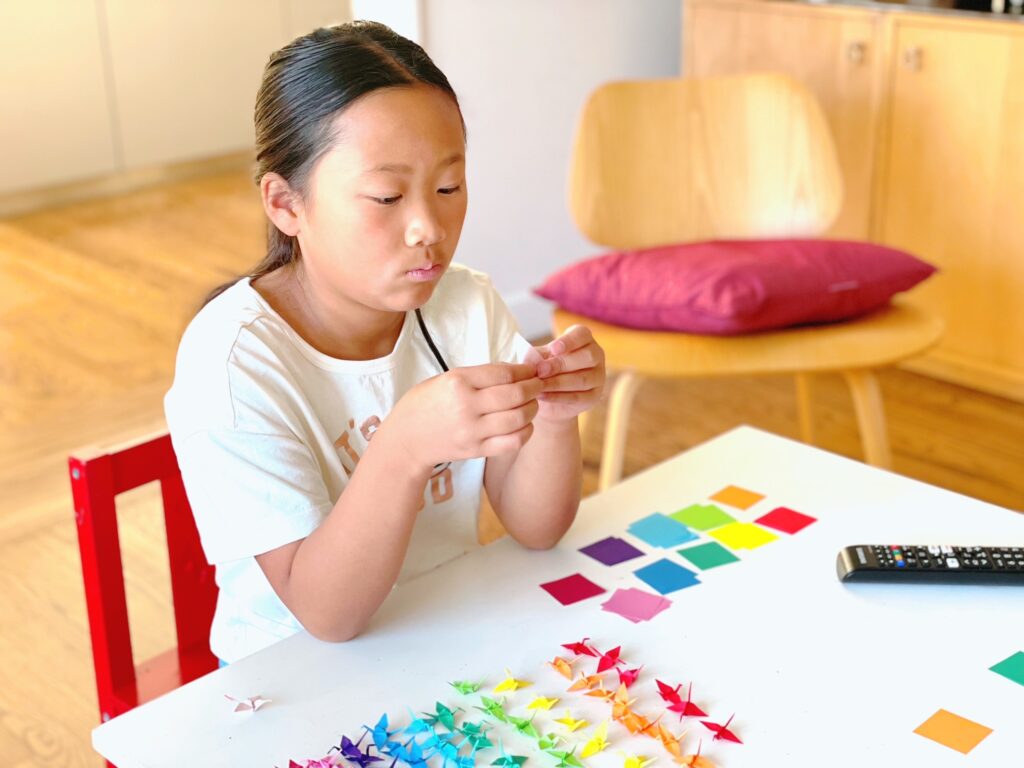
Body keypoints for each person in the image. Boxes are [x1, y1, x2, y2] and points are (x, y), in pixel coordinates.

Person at [165, 21, 606, 664]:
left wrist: (557, 418)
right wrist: (402, 447)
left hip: (444, 634)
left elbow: (538, 527)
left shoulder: (465, 305)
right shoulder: (233, 364)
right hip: (295, 676)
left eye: (449, 187)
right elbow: (327, 616)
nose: (428, 226)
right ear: (286, 204)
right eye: (386, 196)